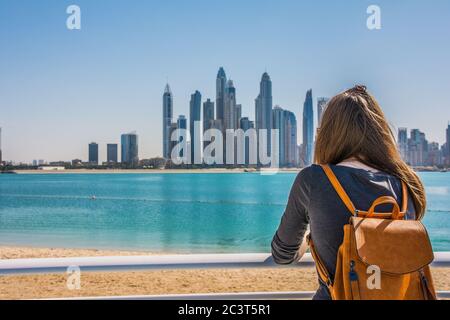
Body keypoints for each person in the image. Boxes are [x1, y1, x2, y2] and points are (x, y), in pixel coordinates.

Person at [271, 85, 426, 300]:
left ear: (327, 133)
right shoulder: (407, 184)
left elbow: (283, 254)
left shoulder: (313, 179)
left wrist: (310, 238)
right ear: (380, 133)